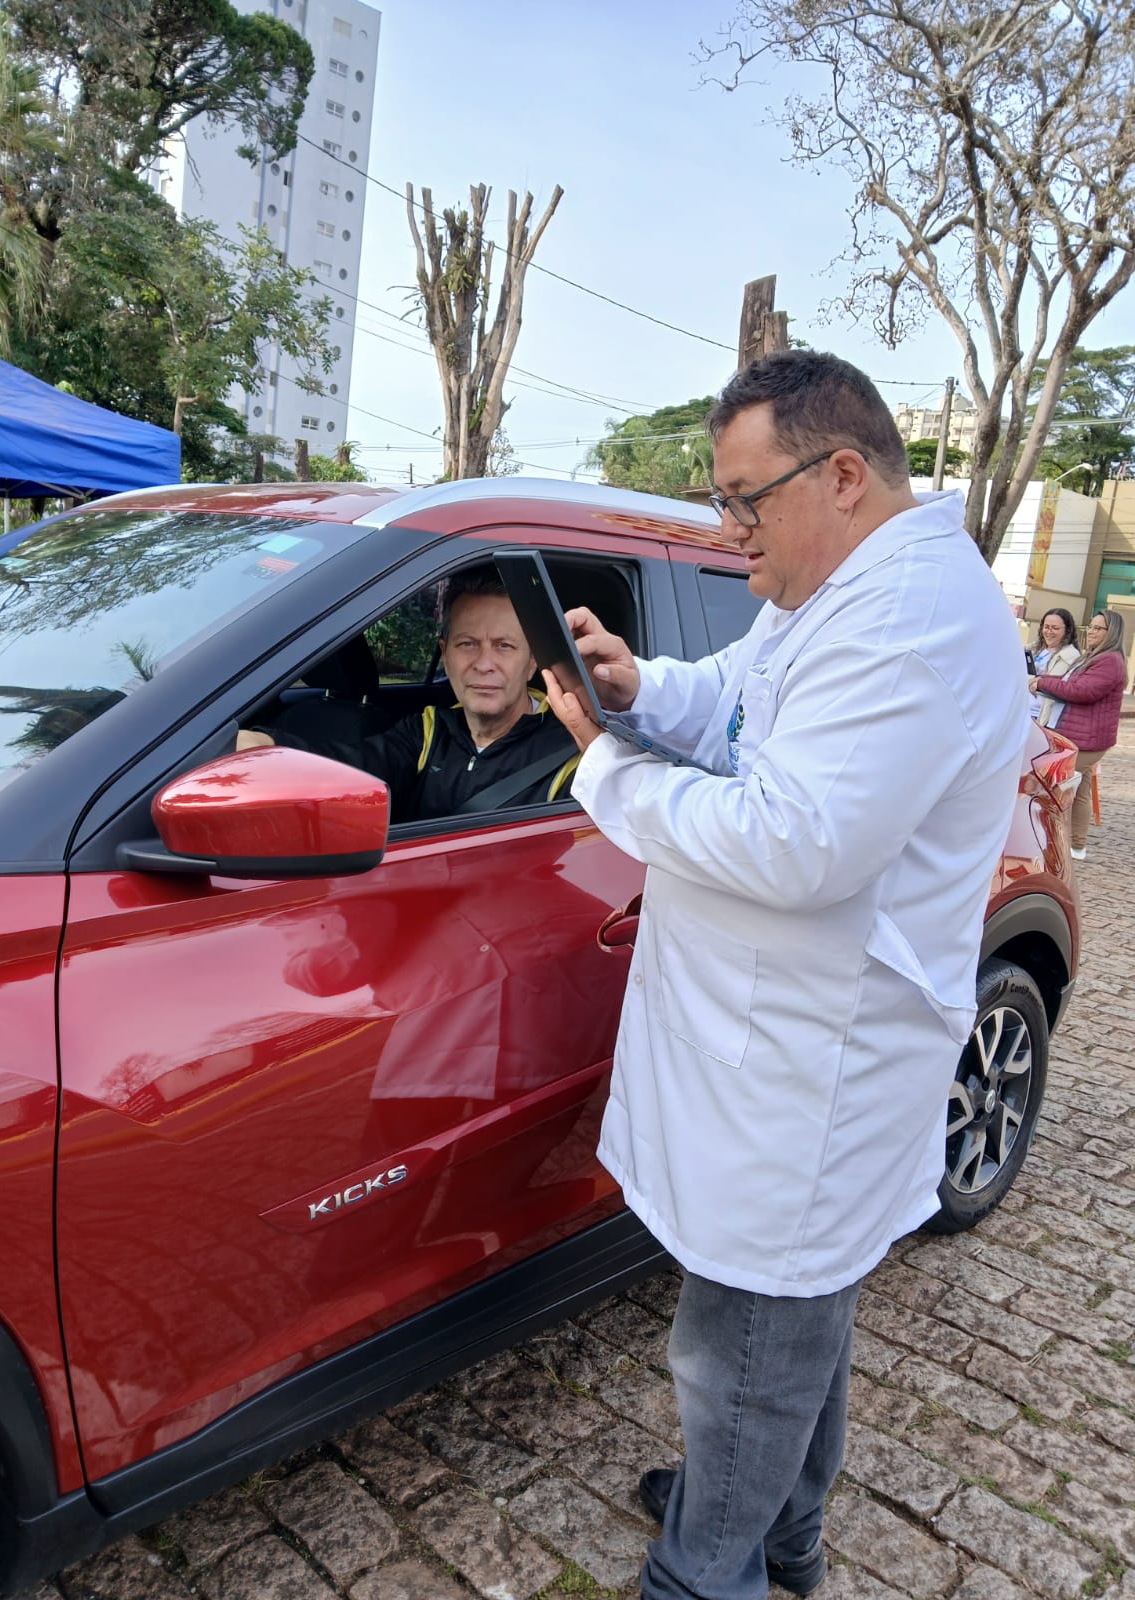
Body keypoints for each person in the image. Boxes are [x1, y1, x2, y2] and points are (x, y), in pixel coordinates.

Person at [541, 349, 1030, 1600]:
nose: (729, 525)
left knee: (745, 1338)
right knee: (795, 1319)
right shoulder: (837, 585)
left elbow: (796, 840)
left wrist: (608, 770)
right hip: (780, 1041)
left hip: (815, 1058)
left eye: (747, 496)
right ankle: (780, 1527)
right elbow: (745, 700)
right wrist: (642, 688)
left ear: (846, 475)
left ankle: (708, 1570)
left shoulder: (910, 622)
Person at [237, 571, 579, 823]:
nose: (484, 664)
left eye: (504, 646)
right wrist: (263, 746)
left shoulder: (570, 752)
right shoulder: (430, 730)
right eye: (467, 644)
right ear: (445, 654)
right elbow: (348, 765)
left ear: (533, 660)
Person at [1031, 608, 1127, 860]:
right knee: (1080, 789)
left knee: (1055, 786)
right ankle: (1076, 846)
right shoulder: (1094, 657)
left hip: (1088, 739)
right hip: (1078, 734)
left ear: (1111, 633)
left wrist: (1042, 682)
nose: (1092, 632)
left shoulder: (1110, 661)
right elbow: (1069, 684)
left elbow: (1082, 691)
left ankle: (1052, 844)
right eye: (1091, 627)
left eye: (1098, 628)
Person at [1028, 608, 1080, 725]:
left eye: (1055, 628)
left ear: (1067, 630)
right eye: (1046, 627)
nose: (1049, 632)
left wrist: (1038, 683)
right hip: (1022, 710)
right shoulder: (1033, 648)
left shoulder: (1070, 656)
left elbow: (1059, 687)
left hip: (1042, 717)